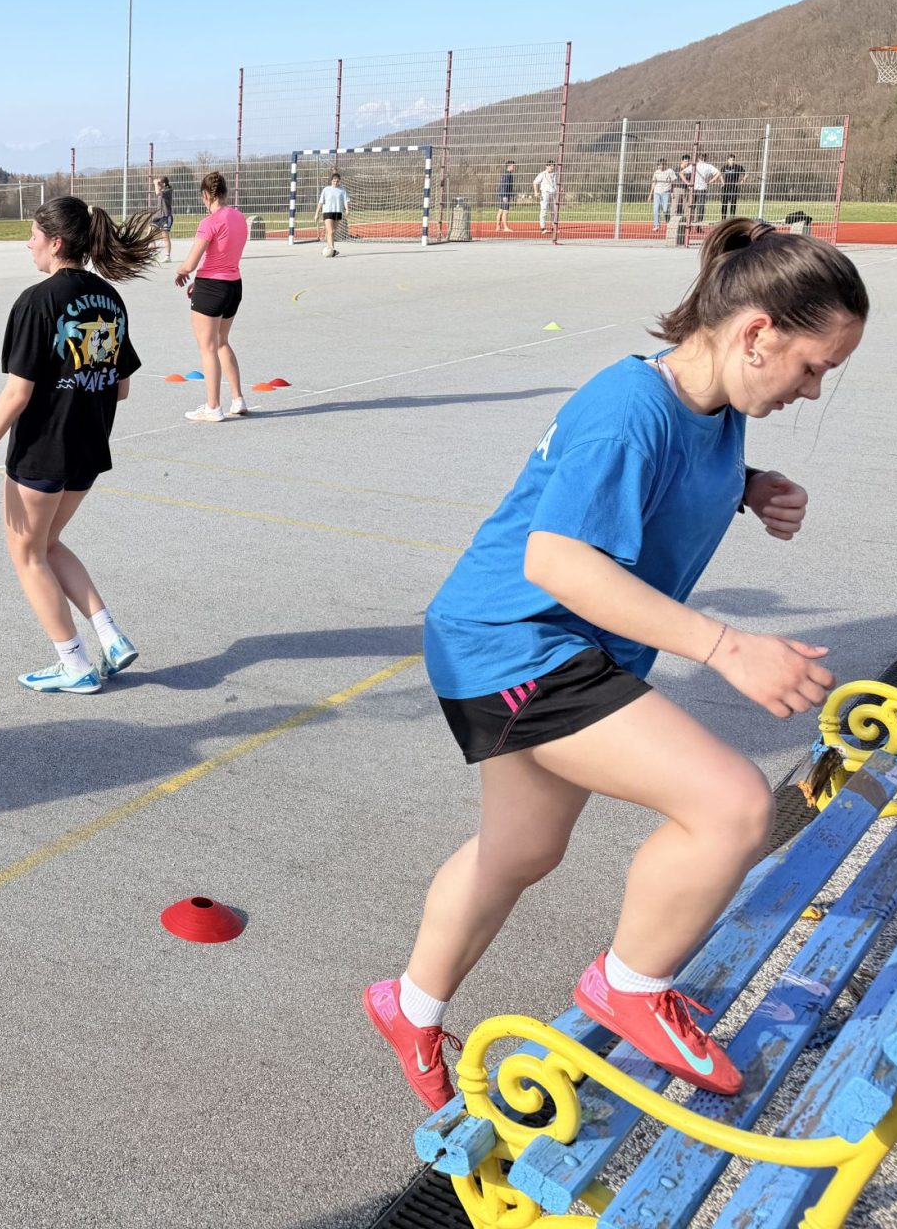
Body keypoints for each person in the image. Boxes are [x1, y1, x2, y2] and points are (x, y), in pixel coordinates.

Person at [363, 217, 868, 1110]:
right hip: (514, 643)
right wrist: (727, 646)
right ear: (757, 334)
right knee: (731, 806)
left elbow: (668, 467)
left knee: (521, 849)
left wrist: (748, 486)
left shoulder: (708, 404)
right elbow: (557, 559)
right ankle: (630, 985)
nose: (813, 389)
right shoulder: (627, 411)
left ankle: (409, 1009)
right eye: (812, 367)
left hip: (555, 644)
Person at [0, 196, 159, 695]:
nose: (29, 244)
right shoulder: (110, 298)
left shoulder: (36, 301)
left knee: (26, 554)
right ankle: (109, 635)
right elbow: (121, 387)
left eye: (33, 236)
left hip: (44, 450)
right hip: (89, 449)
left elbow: (17, 394)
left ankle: (74, 663)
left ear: (56, 242)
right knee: (46, 545)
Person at [172, 170, 251, 422]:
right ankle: (238, 399)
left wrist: (182, 271)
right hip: (233, 285)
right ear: (225, 192)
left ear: (206, 195)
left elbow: (191, 261)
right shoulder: (239, 217)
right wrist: (199, 280)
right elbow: (224, 255)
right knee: (221, 341)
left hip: (212, 287)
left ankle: (213, 407)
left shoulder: (210, 222)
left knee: (207, 348)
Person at [317, 171, 349, 257]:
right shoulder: (326, 189)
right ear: (331, 181)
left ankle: (329, 248)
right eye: (334, 181)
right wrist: (317, 213)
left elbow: (345, 200)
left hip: (338, 212)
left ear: (339, 181)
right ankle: (332, 248)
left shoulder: (342, 190)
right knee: (330, 231)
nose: (335, 183)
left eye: (337, 181)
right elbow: (321, 202)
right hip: (327, 212)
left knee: (332, 232)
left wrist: (347, 209)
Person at [532, 160, 562, 235]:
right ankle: (543, 228)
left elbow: (557, 183)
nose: (551, 167)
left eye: (553, 166)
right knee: (544, 210)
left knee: (554, 211)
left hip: (553, 194)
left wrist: (560, 189)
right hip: (545, 194)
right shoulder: (542, 174)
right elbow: (535, 182)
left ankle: (554, 226)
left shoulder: (555, 174)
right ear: (546, 166)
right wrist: (536, 192)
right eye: (550, 166)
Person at [151, 176, 176, 262]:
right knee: (150, 234)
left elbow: (158, 193)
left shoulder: (168, 190)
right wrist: (156, 183)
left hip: (166, 216)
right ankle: (154, 253)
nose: (158, 185)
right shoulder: (161, 190)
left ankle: (168, 256)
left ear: (164, 184)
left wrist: (155, 183)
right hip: (158, 216)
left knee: (165, 236)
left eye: (160, 183)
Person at [720, 154, 747, 220]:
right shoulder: (725, 167)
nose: (731, 161)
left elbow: (746, 174)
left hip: (734, 188)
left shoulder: (738, 167)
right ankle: (723, 219)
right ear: (727, 160)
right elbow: (719, 174)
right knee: (724, 203)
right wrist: (722, 182)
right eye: (730, 160)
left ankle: (732, 219)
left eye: (733, 160)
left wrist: (742, 181)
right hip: (726, 188)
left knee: (733, 204)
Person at [495, 162, 516, 233]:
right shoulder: (508, 175)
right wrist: (505, 196)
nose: (514, 167)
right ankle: (505, 227)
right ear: (509, 166)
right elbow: (504, 185)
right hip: (504, 195)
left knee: (500, 210)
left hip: (502, 195)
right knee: (505, 211)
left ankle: (498, 227)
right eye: (513, 166)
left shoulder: (505, 174)